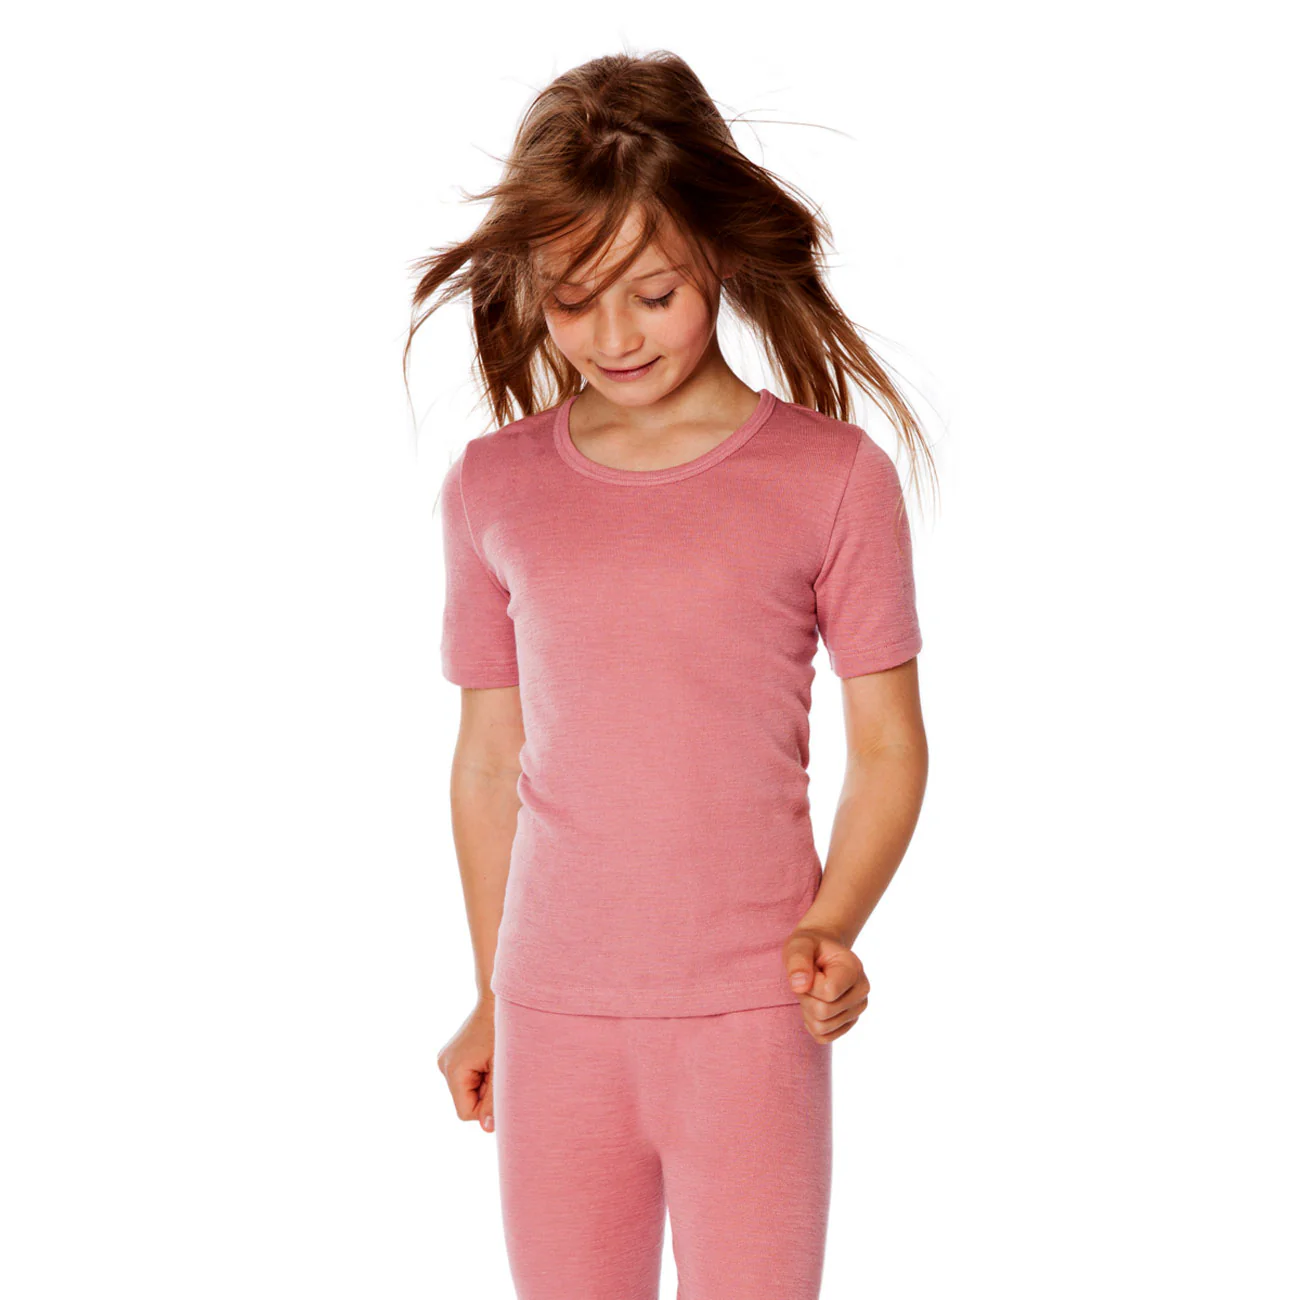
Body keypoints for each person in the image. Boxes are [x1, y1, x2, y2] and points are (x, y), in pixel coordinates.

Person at [410, 49, 935, 1300]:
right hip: (552, 1012)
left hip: (753, 1012)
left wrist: (833, 924)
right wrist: (490, 995)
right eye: (573, 299)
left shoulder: (832, 477)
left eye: (651, 293)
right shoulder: (493, 487)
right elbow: (488, 762)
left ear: (716, 253)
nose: (614, 336)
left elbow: (889, 745)